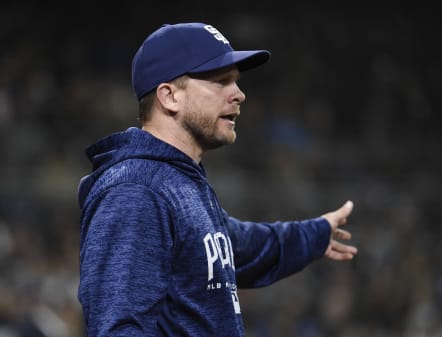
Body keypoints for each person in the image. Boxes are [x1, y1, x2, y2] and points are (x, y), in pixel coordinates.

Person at [77, 22, 358, 337]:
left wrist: (315, 234)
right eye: (221, 81)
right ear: (169, 96)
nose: (239, 94)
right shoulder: (136, 191)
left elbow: (240, 246)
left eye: (235, 82)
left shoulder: (178, 180)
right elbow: (119, 329)